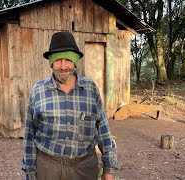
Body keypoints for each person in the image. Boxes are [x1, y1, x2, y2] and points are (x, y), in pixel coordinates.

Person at [21, 31, 118, 180]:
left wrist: (109, 168)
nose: (64, 66)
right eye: (58, 60)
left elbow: (103, 129)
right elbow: (29, 135)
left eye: (68, 59)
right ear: (51, 62)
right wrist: (29, 172)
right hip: (48, 168)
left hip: (84, 168)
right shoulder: (37, 91)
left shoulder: (90, 89)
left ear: (75, 61)